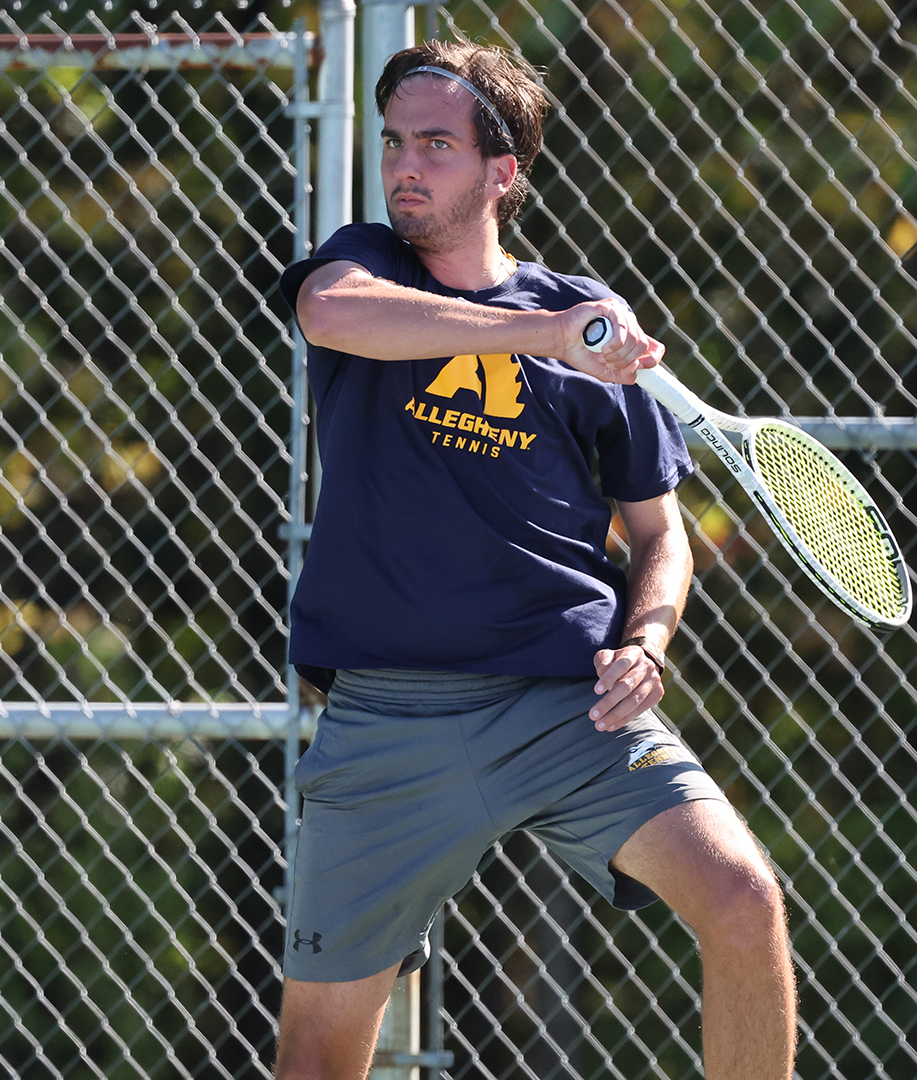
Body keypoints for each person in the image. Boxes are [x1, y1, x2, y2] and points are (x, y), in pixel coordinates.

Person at [273, 39, 797, 1080]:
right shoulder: (367, 264)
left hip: (570, 708)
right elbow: (332, 315)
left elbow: (660, 536)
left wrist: (646, 638)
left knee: (744, 900)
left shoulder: (589, 324)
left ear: (502, 173)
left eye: (437, 145)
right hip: (388, 722)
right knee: (319, 1057)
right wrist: (546, 335)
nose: (404, 167)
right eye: (393, 143)